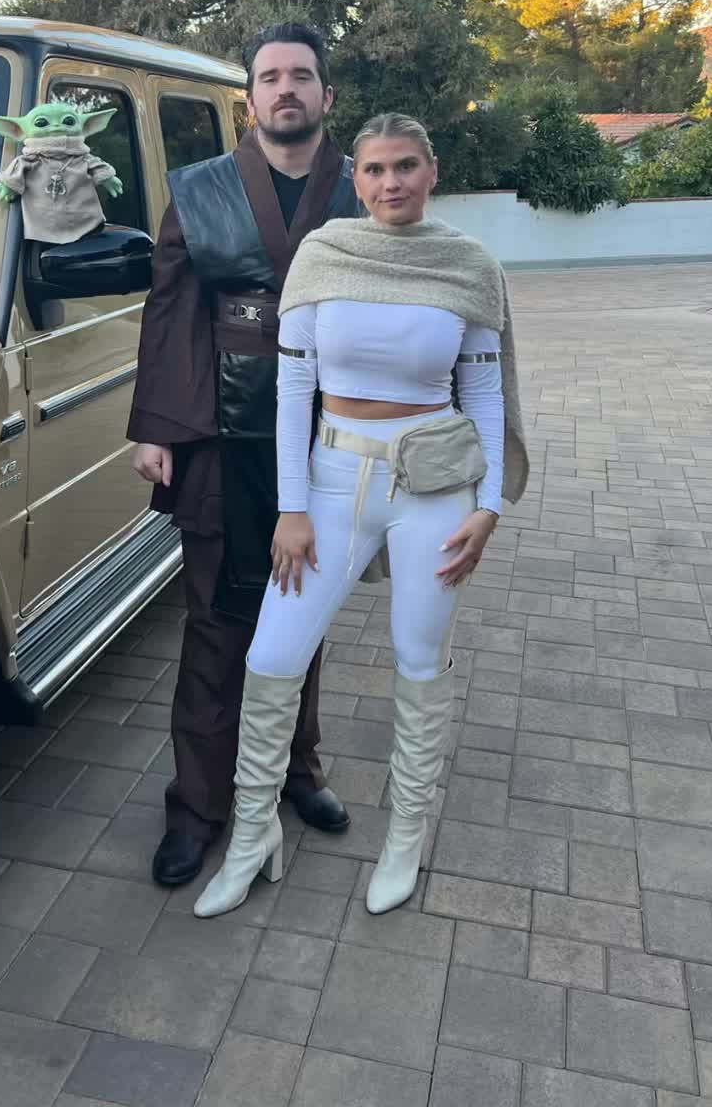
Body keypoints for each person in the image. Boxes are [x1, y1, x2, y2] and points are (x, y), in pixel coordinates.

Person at [193, 112, 529, 919]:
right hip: (333, 477)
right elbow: (291, 391)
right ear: (358, 178)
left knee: (418, 663)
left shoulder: (468, 265)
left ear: (432, 170)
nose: (391, 183)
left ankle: (405, 838)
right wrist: (292, 508)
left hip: (434, 488)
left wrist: (488, 509)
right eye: (375, 170)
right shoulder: (326, 255)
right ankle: (252, 837)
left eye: (406, 166)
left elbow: (482, 392)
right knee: (273, 656)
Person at [128, 22, 362, 888]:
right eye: (271, 77)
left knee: (303, 616)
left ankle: (297, 772)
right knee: (217, 624)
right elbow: (170, 312)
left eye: (303, 76)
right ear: (250, 97)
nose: (287, 89)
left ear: (326, 96)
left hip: (331, 436)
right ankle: (197, 807)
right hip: (226, 439)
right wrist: (158, 427)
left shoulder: (362, 188)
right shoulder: (199, 190)